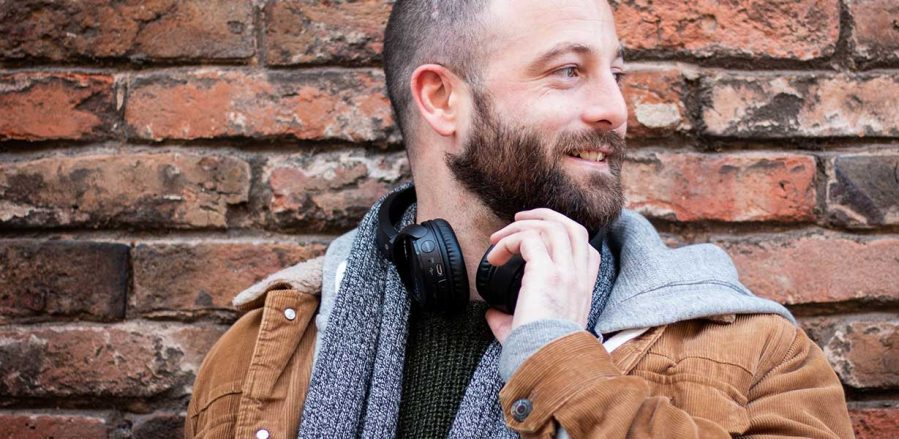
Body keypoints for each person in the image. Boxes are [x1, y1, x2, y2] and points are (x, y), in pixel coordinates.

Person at [185, 0, 856, 437]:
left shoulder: (757, 357)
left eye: (614, 73)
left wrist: (563, 364)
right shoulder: (261, 359)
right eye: (568, 71)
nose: (615, 109)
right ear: (442, 99)